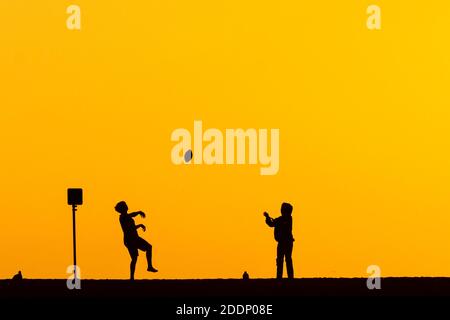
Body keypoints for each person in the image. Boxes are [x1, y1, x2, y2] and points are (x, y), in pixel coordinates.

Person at [115, 201, 158, 280]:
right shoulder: (123, 217)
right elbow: (130, 228)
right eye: (125, 206)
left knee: (147, 249)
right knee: (135, 257)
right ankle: (133, 276)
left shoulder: (126, 216)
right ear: (123, 208)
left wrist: (138, 212)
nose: (127, 206)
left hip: (133, 238)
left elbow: (132, 214)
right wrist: (140, 225)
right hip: (131, 239)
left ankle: (148, 267)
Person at [264, 202, 294, 279]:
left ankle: (290, 277)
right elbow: (271, 224)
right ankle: (279, 277)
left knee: (287, 259)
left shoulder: (288, 219)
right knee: (280, 260)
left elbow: (274, 223)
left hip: (286, 242)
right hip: (283, 242)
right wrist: (267, 217)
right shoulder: (281, 219)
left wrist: (270, 219)